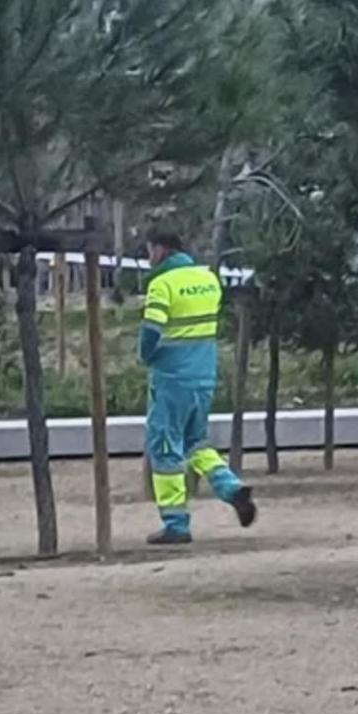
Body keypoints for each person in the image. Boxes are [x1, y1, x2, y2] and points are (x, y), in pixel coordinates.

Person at [140, 231, 257, 545]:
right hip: (203, 375)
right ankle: (231, 488)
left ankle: (176, 523)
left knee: (165, 448)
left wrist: (145, 356)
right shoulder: (208, 279)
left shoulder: (161, 285)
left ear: (161, 249)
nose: (148, 257)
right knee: (196, 443)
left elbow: (151, 332)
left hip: (171, 377)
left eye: (149, 250)